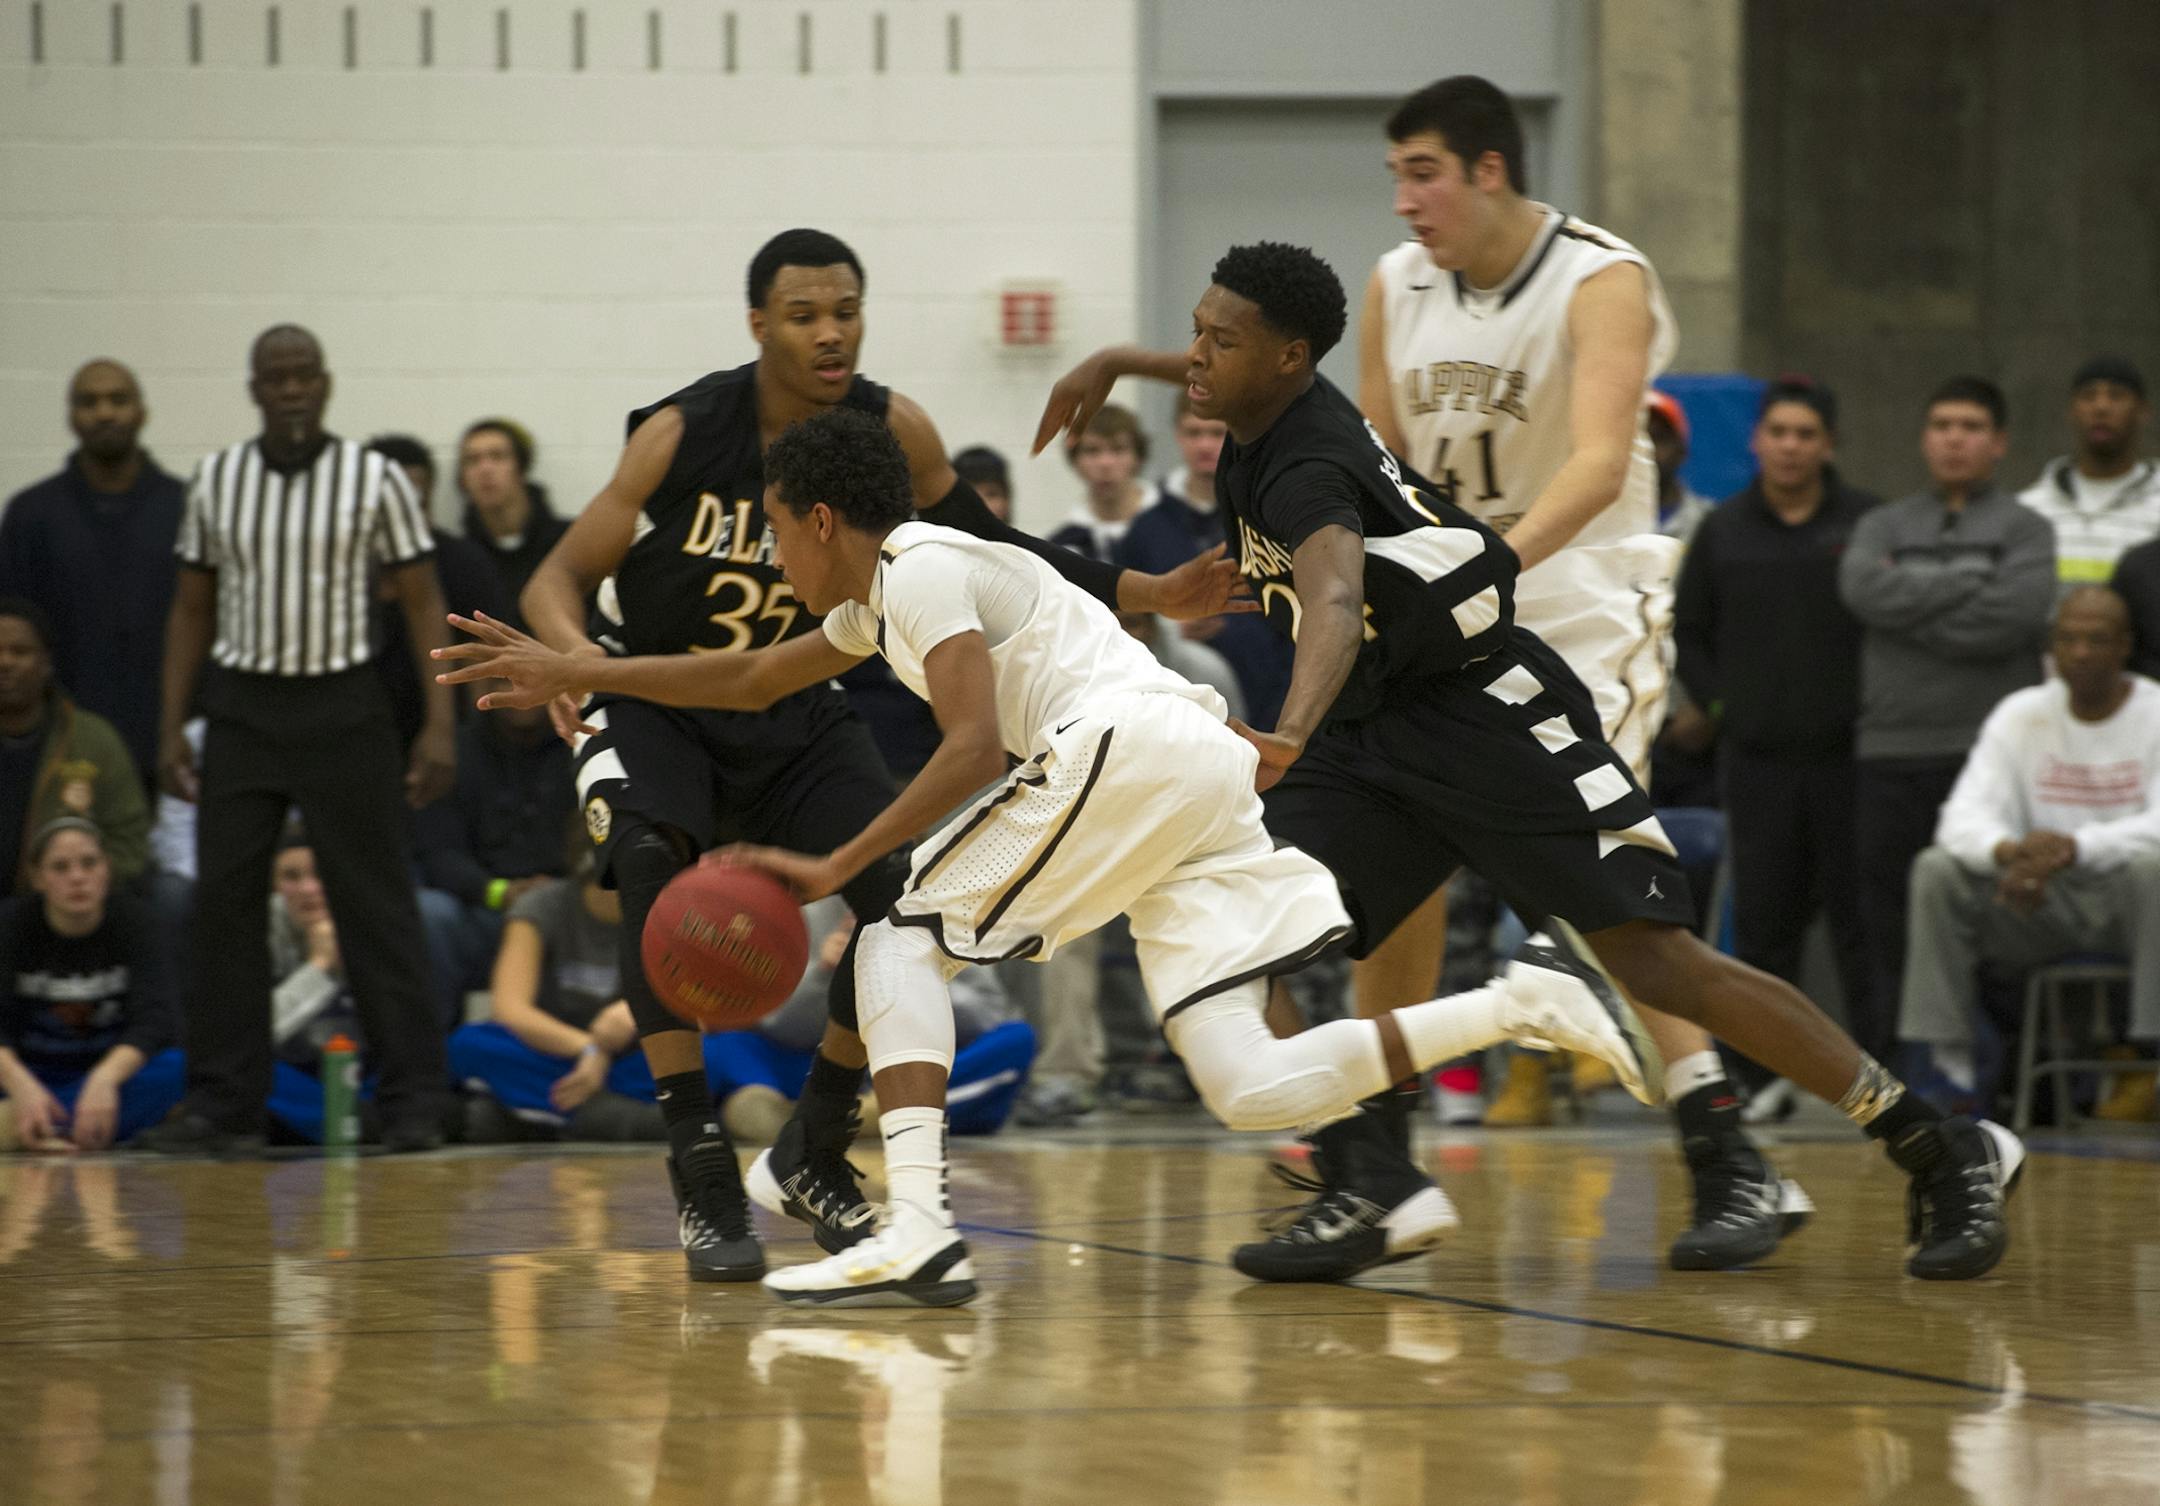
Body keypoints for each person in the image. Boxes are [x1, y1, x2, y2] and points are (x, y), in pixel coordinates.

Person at [437, 403, 1666, 1307]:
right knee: (1249, 1084)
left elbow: (973, 745)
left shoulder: (919, 566)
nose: (774, 561)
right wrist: (579, 668)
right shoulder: (881, 596)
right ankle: (1525, 1002)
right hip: (1190, 770)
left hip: (1126, 749)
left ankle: (919, 1225)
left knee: (897, 938)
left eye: (775, 533)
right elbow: (752, 677)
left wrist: (838, 861)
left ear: (818, 519)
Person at [1034, 241, 2024, 1283]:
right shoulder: (1267, 403)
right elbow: (1231, 382)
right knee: (1234, 930)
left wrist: (1285, 734)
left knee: (1658, 964)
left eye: (1218, 341)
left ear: (1288, 359)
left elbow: (1330, 596)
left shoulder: (1307, 467)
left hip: (1486, 722)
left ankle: (1935, 1143)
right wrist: (1117, 360)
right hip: (1373, 736)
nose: (1196, 356)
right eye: (1194, 332)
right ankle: (1370, 1178)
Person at [1041, 75, 1803, 1274]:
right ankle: (1378, 1172)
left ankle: (1729, 1151)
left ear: (1490, 170)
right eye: (1395, 175)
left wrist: (1478, 574)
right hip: (1433, 619)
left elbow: (1603, 464)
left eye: (1423, 173)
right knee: (1381, 901)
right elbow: (1364, 446)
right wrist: (1134, 360)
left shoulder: (1601, 276)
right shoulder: (1399, 284)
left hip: (1580, 604)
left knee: (1608, 914)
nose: (1402, 200)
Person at [510, 228, 1246, 1282]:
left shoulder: (891, 431)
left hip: (791, 693)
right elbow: (558, 575)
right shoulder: (682, 432)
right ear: (758, 324)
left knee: (898, 897)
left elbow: (999, 547)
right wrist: (573, 666)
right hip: (660, 694)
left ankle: (814, 1143)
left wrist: (1146, 591)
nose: (830, 333)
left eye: (846, 312)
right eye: (804, 315)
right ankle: (700, 1161)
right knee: (648, 865)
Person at [143, 324, 457, 1156]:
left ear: (325, 384)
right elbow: (191, 608)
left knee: (375, 904)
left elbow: (423, 600)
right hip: (243, 708)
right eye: (275, 377)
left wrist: (439, 721)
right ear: (255, 389)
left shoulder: (373, 478)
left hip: (344, 705)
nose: (290, 389)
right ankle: (225, 1104)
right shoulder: (217, 479)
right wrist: (171, 725)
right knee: (225, 906)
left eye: (303, 375)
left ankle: (415, 1100)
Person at [1840, 376, 2056, 1085]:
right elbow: (1862, 590)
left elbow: (2014, 617)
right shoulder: (1883, 525)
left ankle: (2008, 1080)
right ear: (1924, 439)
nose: (1954, 438)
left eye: (1970, 426)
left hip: (1988, 757)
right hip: (1891, 750)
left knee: (2002, 919)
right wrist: (1969, 584)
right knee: (1888, 926)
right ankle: (1894, 1083)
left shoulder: (2026, 528)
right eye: (1941, 425)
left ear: (1999, 443)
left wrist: (1912, 610)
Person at [1673, 378, 1881, 1087]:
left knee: (1862, 928)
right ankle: (1759, 1083)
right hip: (1757, 764)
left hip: (1852, 762)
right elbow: (1688, 630)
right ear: (1757, 441)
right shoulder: (1724, 529)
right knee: (1764, 929)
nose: (1791, 447)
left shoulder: (1867, 524)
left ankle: (1881, 1081)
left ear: (1829, 445)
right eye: (1779, 433)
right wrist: (1722, 707)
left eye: (1806, 434)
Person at [1899, 587, 2160, 1115]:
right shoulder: (2020, 714)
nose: (2081, 653)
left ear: (2125, 646)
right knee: (1937, 870)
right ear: (2051, 648)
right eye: (2068, 640)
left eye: (2097, 640)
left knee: (2154, 870)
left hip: (2130, 905)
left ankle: (2150, 1060)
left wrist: (2075, 848)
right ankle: (1950, 1070)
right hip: (2038, 901)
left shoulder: (2154, 711)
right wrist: (2009, 852)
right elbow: (1960, 818)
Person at [0, 361, 185, 796]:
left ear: (142, 413)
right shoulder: (31, 515)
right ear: (71, 417)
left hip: (169, 745)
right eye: (89, 402)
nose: (104, 413)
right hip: (58, 747)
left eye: (118, 400)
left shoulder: (186, 508)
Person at [0, 819, 181, 1152]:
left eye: (89, 863)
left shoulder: (138, 921)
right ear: (37, 878)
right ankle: (63, 1125)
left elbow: (156, 1021)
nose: (77, 877)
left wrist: (105, 1079)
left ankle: (25, 1127)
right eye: (60, 867)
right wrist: (20, 1085)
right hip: (27, 1074)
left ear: (106, 869)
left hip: (111, 1078)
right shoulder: (10, 925)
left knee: (182, 1070)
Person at [1117, 393, 1295, 731]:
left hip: (1269, 698)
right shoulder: (1145, 530)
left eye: (1216, 433)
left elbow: (1296, 620)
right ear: (1177, 434)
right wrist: (1169, 628)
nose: (1205, 445)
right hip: (1176, 708)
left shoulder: (1266, 522)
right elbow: (1124, 622)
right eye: (1194, 432)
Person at [413, 701, 574, 1024]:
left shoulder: (582, 748)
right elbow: (438, 853)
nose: (518, 694)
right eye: (505, 680)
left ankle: (598, 1041)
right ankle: (431, 1042)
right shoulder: (454, 751)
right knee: (429, 912)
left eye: (529, 681)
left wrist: (559, 893)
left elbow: (596, 844)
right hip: (483, 906)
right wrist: (500, 892)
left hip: (567, 906)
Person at [366, 435, 513, 746]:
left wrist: (468, 740)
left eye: (414, 500)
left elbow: (482, 660)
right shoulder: (342, 566)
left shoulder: (463, 562)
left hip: (446, 728)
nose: (404, 512)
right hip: (360, 726)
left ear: (429, 494)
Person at [0, 600, 151, 895]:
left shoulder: (94, 741)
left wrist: (71, 884)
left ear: (46, 664)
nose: (5, 663)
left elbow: (129, 843)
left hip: (59, 910)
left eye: (20, 651)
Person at [2013, 358, 2158, 586]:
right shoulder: (2028, 510)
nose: (2101, 408)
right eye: (2088, 396)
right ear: (2071, 412)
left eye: (2116, 396)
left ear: (2143, 412)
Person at [458, 419, 569, 621]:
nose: (485, 469)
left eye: (497, 456)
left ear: (521, 467)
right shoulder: (459, 558)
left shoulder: (567, 542)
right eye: (473, 460)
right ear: (463, 478)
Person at [1050, 405, 1157, 561]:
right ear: (1075, 460)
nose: (1105, 463)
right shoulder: (1065, 546)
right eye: (1092, 451)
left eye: (1118, 449)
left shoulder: (1179, 522)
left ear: (1138, 457)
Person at [1647, 391, 1712, 549]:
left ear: (1681, 450)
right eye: (1638, 440)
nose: (1647, 448)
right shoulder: (1598, 524)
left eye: (1657, 437)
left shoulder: (1711, 524)